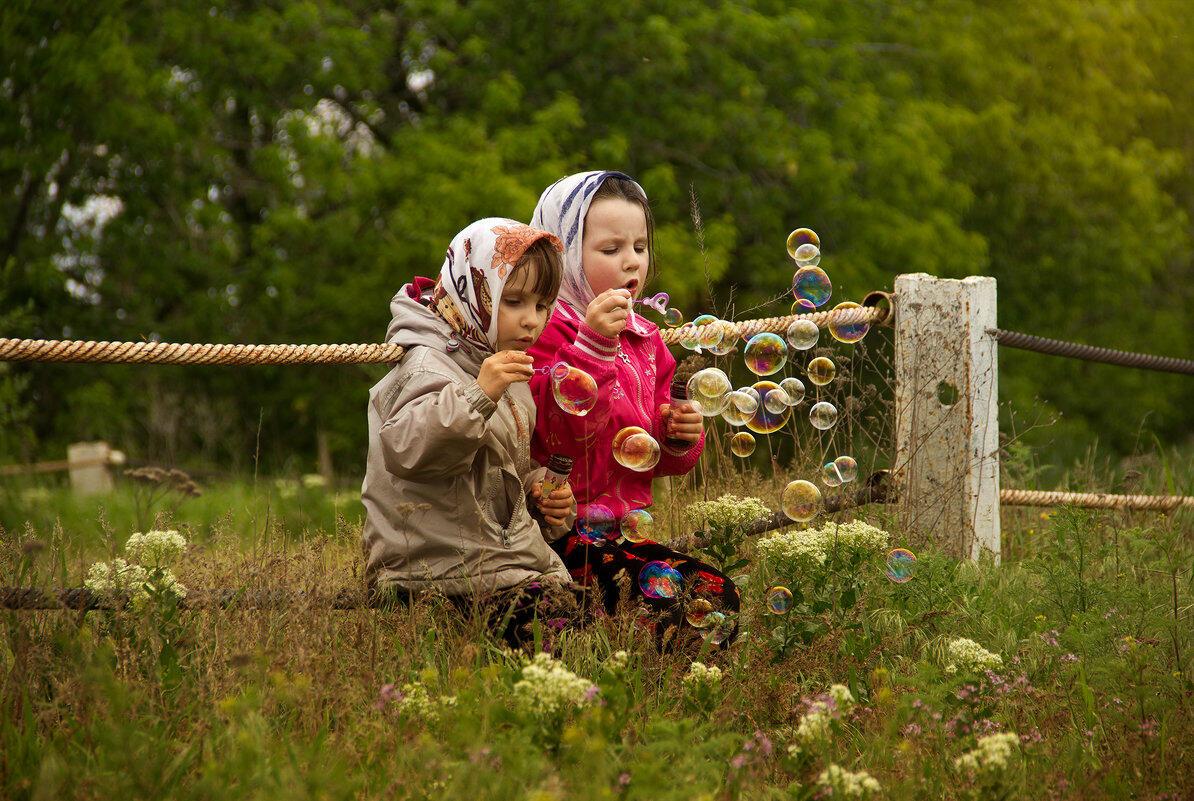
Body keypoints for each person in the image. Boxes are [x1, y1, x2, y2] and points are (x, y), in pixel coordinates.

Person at [527, 171, 740, 645]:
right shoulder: (542, 332)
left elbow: (656, 457)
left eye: (640, 247)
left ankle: (660, 689)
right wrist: (593, 344)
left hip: (626, 531)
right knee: (679, 601)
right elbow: (556, 435)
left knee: (712, 597)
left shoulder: (646, 340)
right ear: (563, 252)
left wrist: (679, 434)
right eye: (611, 249)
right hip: (559, 531)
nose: (632, 262)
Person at [362, 218, 581, 646]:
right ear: (472, 293)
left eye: (542, 305)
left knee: (589, 624)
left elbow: (496, 465)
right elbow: (408, 450)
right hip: (437, 573)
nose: (531, 321)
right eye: (513, 301)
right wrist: (480, 394)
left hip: (497, 562)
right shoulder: (426, 362)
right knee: (561, 636)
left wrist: (538, 489)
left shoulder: (499, 361)